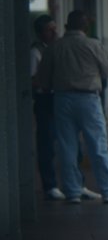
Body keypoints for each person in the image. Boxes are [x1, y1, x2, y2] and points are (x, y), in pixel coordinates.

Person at [35, 10, 108, 204]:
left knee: (67, 146)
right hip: (88, 98)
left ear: (66, 26)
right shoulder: (93, 45)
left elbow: (43, 79)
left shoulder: (54, 47)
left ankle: (72, 191)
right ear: (85, 27)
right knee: (98, 145)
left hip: (62, 99)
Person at [30, 15, 64, 200]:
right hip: (45, 99)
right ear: (40, 33)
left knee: (65, 141)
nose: (54, 33)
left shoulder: (57, 48)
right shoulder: (35, 52)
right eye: (49, 30)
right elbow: (32, 80)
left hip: (58, 97)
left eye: (54, 28)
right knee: (46, 142)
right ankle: (49, 185)